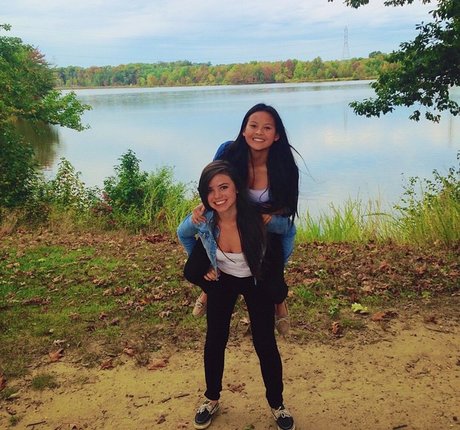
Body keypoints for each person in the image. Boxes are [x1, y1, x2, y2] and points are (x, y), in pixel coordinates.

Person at [177, 160, 296, 430]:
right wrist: (207, 264)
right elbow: (183, 234)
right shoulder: (205, 218)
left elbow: (289, 230)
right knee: (215, 339)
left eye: (224, 187)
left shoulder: (257, 217)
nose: (217, 196)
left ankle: (277, 404)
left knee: (265, 343)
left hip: (256, 280)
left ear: (237, 188)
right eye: (210, 190)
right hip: (224, 280)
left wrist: (280, 266)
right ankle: (211, 398)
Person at [191, 103, 299, 335]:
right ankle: (207, 290)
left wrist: (272, 214)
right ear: (243, 129)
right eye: (253, 125)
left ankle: (279, 301)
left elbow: (289, 206)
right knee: (190, 231)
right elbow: (212, 179)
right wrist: (206, 203)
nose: (259, 132)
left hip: (263, 224)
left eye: (267, 128)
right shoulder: (229, 151)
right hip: (229, 217)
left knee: (285, 242)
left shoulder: (284, 165)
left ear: (277, 135)